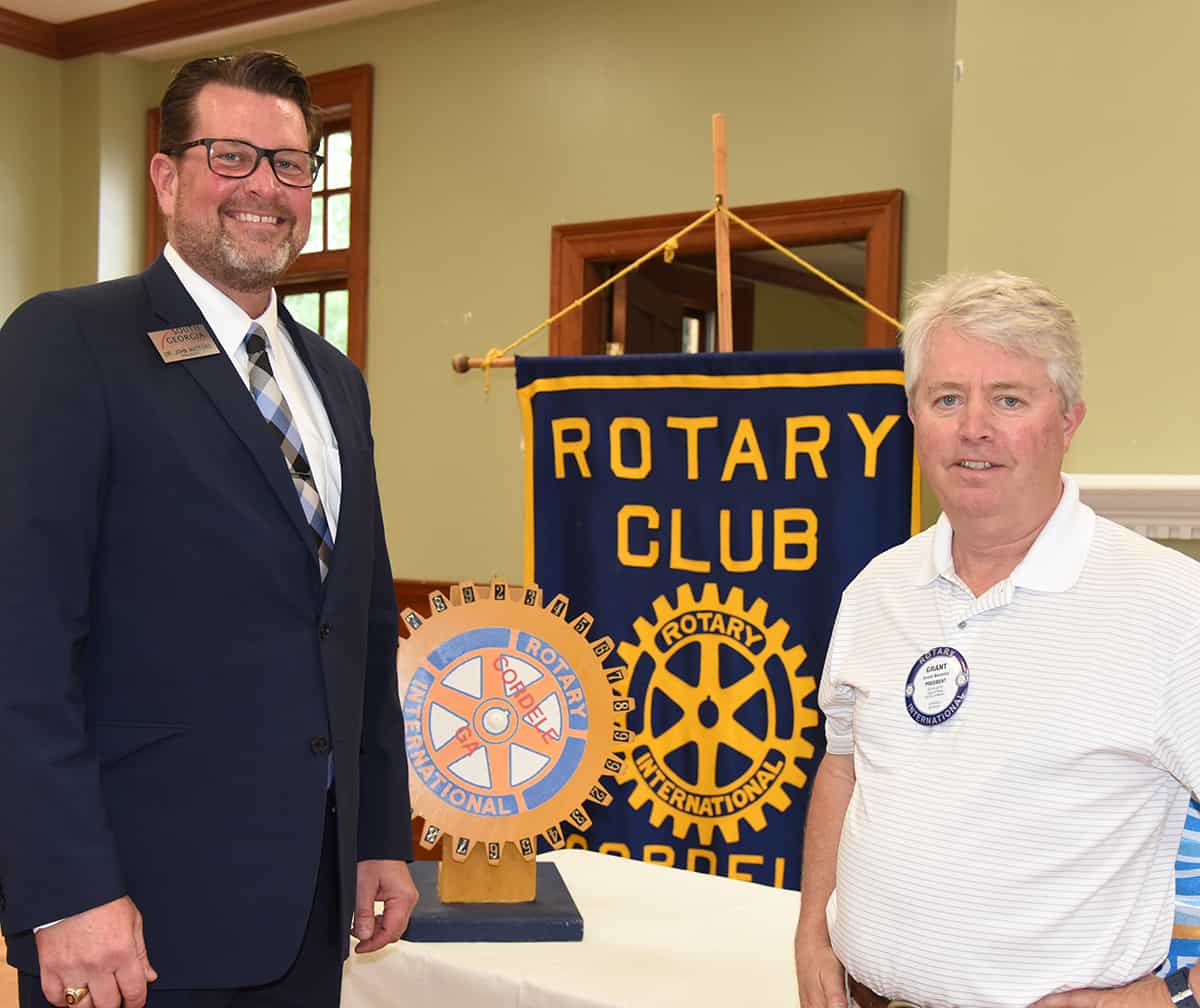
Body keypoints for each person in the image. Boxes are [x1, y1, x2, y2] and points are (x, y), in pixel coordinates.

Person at [0, 51, 417, 1008]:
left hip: (310, 907)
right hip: (133, 916)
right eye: (231, 156)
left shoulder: (334, 382)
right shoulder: (69, 344)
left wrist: (377, 833)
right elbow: (21, 644)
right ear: (166, 177)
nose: (265, 188)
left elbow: (356, 628)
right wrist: (65, 890)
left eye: (290, 164)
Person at [794, 272, 1200, 1008]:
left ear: (1069, 421)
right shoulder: (876, 592)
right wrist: (812, 935)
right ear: (914, 413)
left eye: (1008, 399)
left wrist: (1171, 997)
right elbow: (843, 768)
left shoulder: (1172, 607)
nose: (973, 427)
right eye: (947, 399)